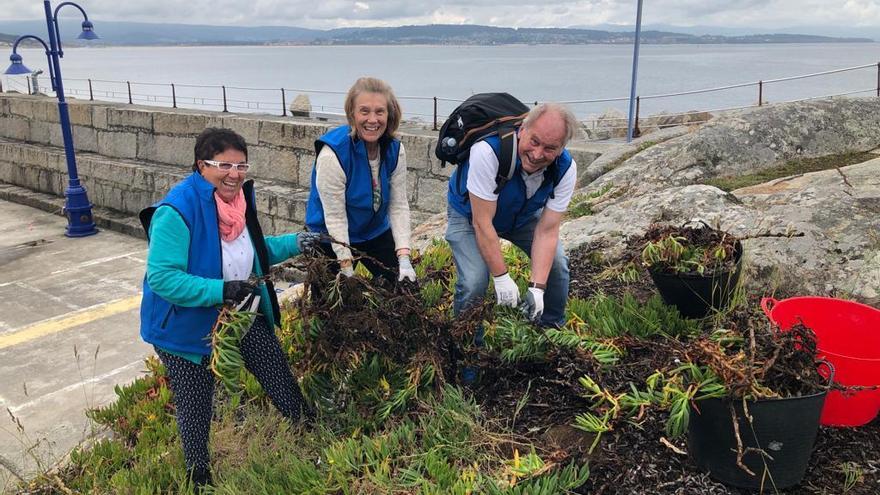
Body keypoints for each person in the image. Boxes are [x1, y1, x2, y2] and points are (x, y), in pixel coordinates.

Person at [139, 127, 318, 488]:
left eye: (241, 165)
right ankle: (198, 475)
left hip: (240, 313)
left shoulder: (236, 204)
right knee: (196, 402)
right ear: (200, 166)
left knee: (275, 369)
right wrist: (220, 290)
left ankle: (309, 430)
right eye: (224, 165)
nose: (234, 174)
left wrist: (298, 241)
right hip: (185, 330)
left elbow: (253, 249)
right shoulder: (177, 210)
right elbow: (162, 277)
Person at [445, 103, 579, 330]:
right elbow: (482, 222)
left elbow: (547, 231)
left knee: (557, 267)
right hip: (470, 215)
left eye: (549, 148)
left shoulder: (565, 169)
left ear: (561, 148)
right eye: (534, 141)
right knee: (474, 282)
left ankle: (551, 331)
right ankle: (466, 347)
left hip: (523, 216)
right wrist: (501, 277)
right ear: (522, 129)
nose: (537, 155)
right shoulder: (489, 152)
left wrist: (537, 288)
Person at [305, 77, 416, 285]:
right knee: (331, 305)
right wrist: (346, 268)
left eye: (379, 111)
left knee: (405, 288)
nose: (372, 120)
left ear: (389, 114)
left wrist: (404, 258)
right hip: (329, 235)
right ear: (352, 114)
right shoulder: (333, 155)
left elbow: (399, 205)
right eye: (364, 111)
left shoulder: (395, 150)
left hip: (374, 229)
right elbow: (336, 218)